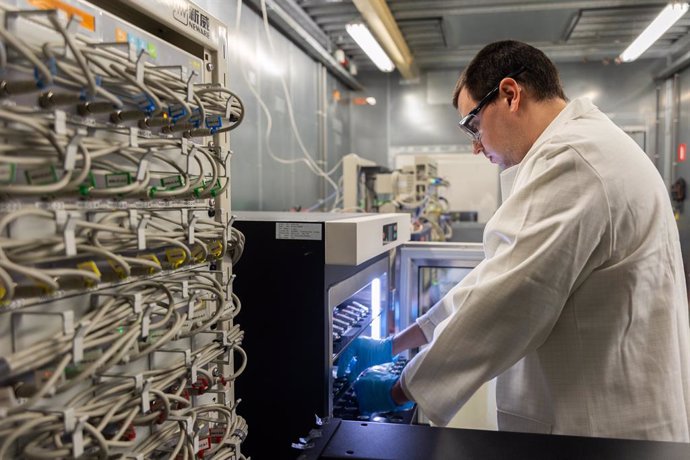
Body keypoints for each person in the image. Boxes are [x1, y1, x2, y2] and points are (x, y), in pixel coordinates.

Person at [342, 40, 690, 442]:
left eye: (473, 124)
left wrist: (403, 387)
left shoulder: (574, 160)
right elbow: (499, 275)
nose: (475, 146)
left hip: (604, 429)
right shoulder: (582, 145)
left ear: (509, 95)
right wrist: (397, 343)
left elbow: (511, 297)